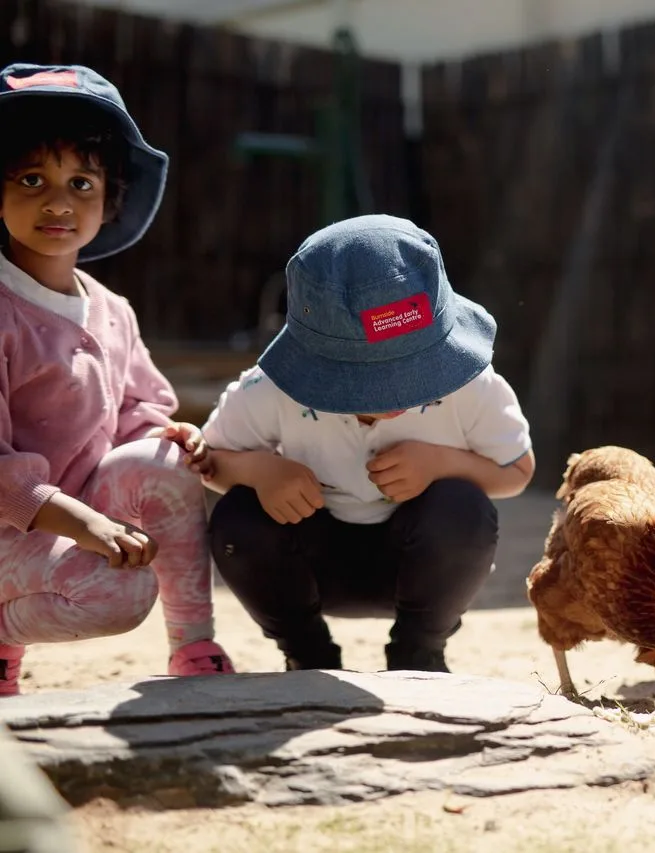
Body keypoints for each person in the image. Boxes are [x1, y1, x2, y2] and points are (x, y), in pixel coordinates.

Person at [201, 214, 534, 674]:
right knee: (238, 520)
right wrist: (260, 471)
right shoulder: (272, 390)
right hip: (309, 566)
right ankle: (308, 656)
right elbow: (210, 460)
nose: (394, 395)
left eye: (412, 374)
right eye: (370, 383)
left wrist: (441, 463)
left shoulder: (470, 385)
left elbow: (517, 470)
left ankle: (419, 653)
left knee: (464, 510)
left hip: (418, 568)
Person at [0, 63, 235, 696]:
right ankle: (2, 642)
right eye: (30, 179)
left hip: (79, 516)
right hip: (8, 530)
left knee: (164, 455)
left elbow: (136, 407)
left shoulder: (111, 309)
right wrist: (83, 526)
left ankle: (194, 645)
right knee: (118, 592)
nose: (58, 202)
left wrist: (172, 434)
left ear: (109, 200)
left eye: (81, 182)